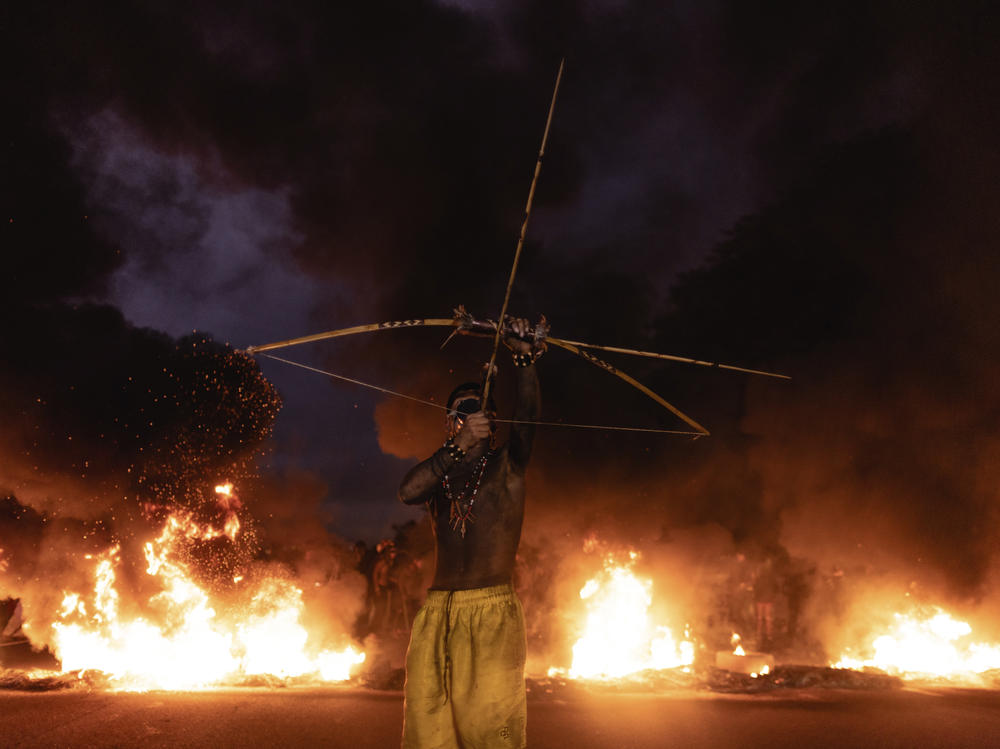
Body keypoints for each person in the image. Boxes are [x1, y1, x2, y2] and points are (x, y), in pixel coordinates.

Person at [397, 316, 542, 749]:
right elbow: (406, 491)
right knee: (429, 725)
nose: (472, 413)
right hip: (437, 612)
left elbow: (529, 420)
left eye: (480, 407)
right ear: (449, 422)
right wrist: (455, 450)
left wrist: (525, 360)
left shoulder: (508, 468)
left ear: (493, 419)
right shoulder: (440, 475)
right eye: (462, 408)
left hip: (491, 611)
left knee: (491, 728)